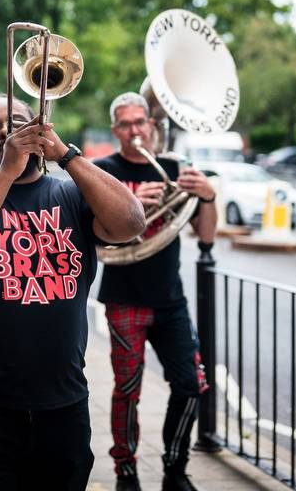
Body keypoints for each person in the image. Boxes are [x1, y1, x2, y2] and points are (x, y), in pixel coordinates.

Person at [0, 94, 145, 490]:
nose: (9, 130)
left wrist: (67, 155)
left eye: (21, 122)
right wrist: (5, 172)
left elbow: (130, 222)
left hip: (62, 405)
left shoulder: (71, 195)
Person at [94, 92, 217, 491]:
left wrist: (208, 196)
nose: (134, 130)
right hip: (123, 297)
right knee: (127, 391)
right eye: (126, 124)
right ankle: (126, 471)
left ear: (151, 124)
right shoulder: (102, 172)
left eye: (140, 122)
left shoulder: (172, 169)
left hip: (169, 299)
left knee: (190, 385)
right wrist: (128, 204)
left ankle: (174, 467)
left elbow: (207, 234)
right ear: (116, 130)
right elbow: (92, 236)